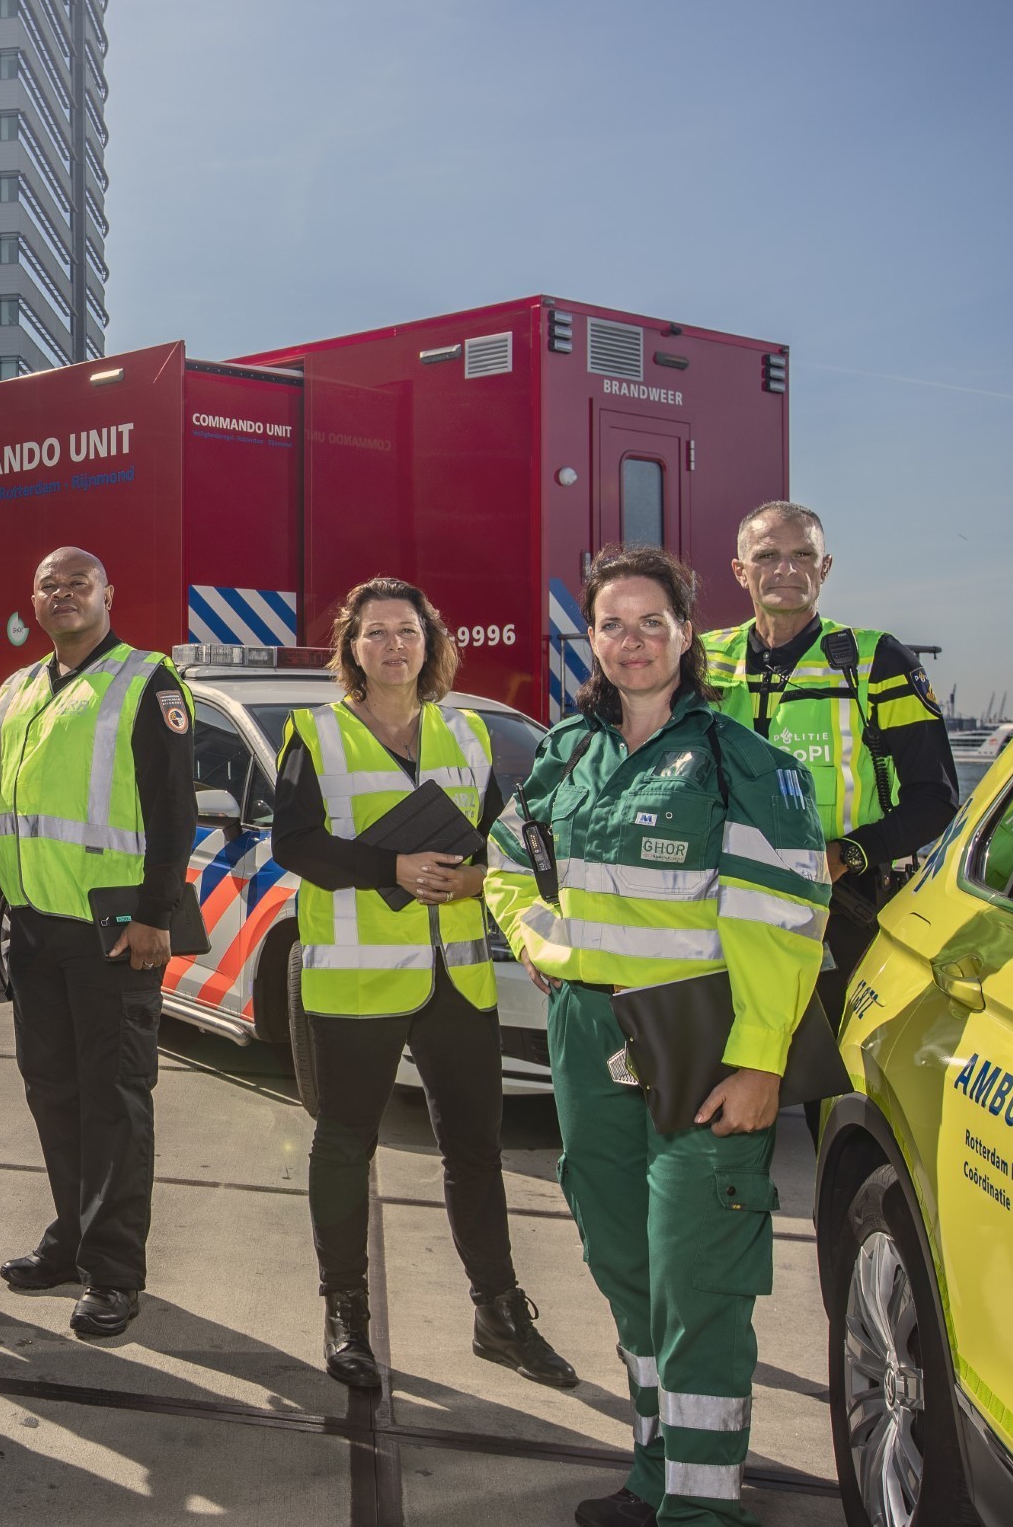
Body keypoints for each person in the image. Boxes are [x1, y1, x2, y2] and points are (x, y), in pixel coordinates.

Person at [486, 545, 829, 1527]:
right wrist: (538, 939)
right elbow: (509, 854)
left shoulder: (736, 759)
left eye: (650, 621)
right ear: (587, 637)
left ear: (687, 630)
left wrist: (762, 1055)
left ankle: (703, 1505)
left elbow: (785, 918)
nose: (629, 641)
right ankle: (655, 1473)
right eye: (609, 623)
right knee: (622, 1258)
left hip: (700, 1041)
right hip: (585, 1027)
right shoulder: (564, 751)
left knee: (698, 1272)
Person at [272, 578, 576, 1392]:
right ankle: (346, 1315)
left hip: (458, 980)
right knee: (344, 1147)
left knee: (475, 1151)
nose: (393, 646)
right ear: (353, 649)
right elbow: (293, 844)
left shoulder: (470, 732)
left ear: (430, 642)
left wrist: (480, 880)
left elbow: (503, 843)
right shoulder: (315, 731)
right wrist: (389, 868)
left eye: (406, 631)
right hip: (356, 983)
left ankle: (499, 1316)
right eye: (375, 634)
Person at [0, 547, 195, 1341]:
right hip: (32, 927)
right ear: (33, 599)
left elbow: (173, 809)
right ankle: (71, 1237)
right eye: (50, 585)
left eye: (79, 584)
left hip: (113, 932)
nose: (64, 595)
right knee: (53, 1094)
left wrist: (156, 915)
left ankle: (115, 1271)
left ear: (108, 593)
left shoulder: (146, 680)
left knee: (116, 1103)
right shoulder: (17, 691)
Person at [700, 501, 956, 1134]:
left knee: (840, 1116)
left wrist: (845, 854)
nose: (785, 568)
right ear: (739, 569)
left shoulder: (875, 661)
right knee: (718, 1099)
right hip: (720, 911)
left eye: (802, 555)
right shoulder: (702, 662)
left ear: (825, 567)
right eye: (767, 556)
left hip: (843, 915)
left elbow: (936, 797)